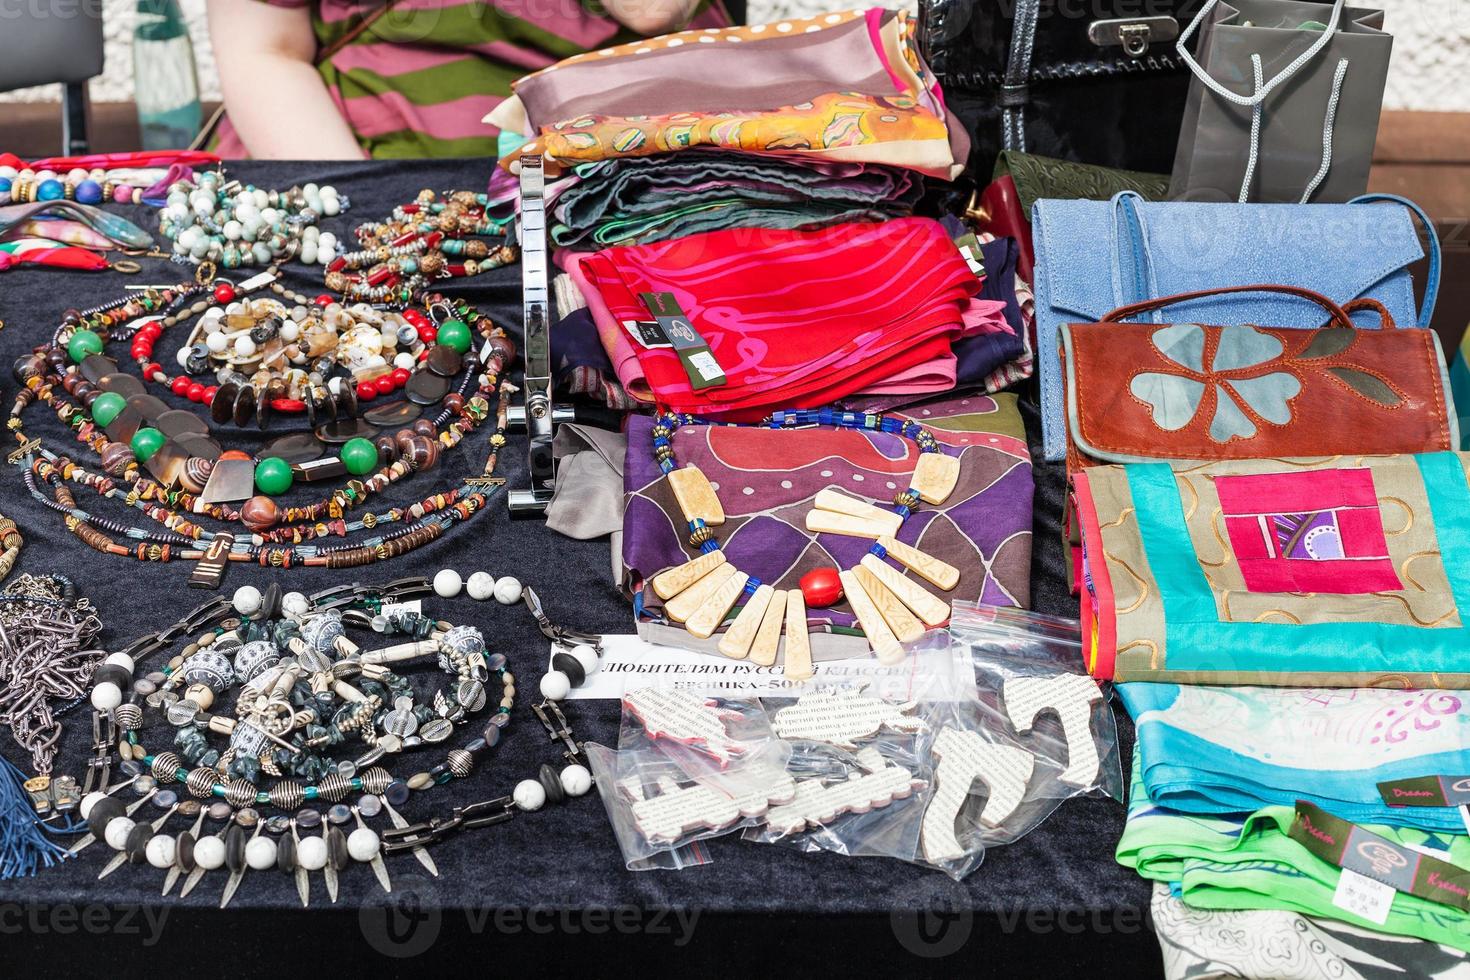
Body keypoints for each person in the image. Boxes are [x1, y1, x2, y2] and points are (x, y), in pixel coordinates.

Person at [208, 0, 729, 159]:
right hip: (356, 176)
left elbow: (651, 9)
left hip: (636, 194)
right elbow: (266, 52)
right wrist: (361, 219)